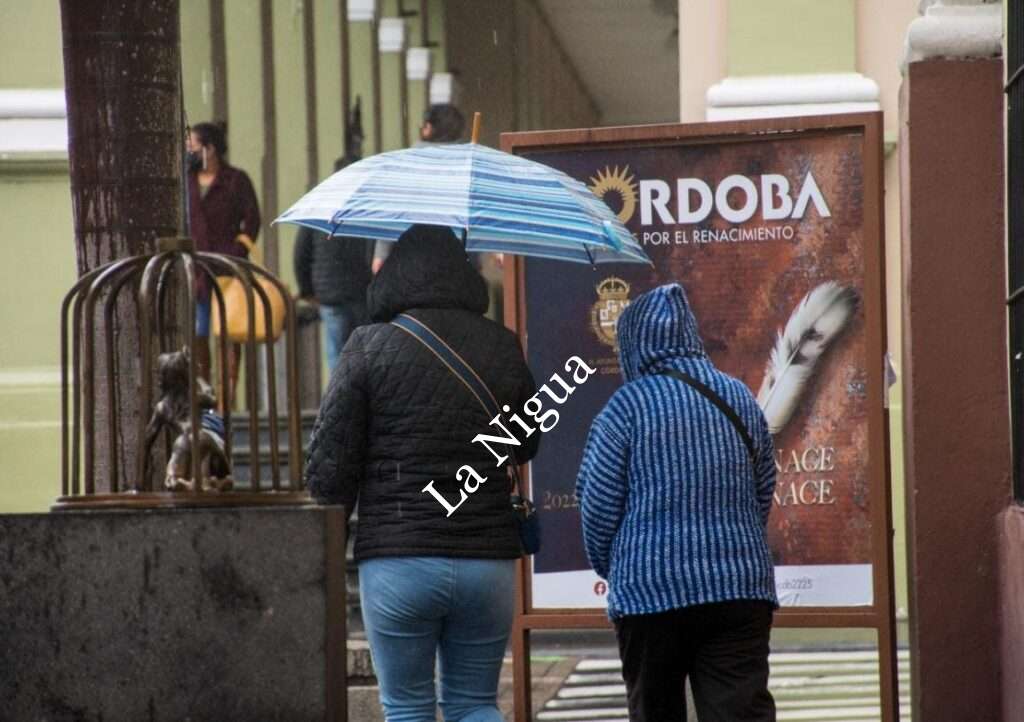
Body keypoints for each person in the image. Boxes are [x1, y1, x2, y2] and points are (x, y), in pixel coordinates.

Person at [305, 224, 540, 722]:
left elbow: (330, 470)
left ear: (390, 277)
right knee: (475, 703)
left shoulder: (366, 346)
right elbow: (527, 441)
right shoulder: (501, 345)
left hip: (398, 559)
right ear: (466, 277)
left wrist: (325, 543)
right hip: (486, 560)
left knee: (407, 707)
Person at [575, 283, 778, 722]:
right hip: (740, 590)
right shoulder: (740, 397)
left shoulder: (625, 407)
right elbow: (763, 489)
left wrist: (617, 567)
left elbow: (597, 508)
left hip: (650, 596)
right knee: (741, 714)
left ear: (634, 345)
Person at [186, 121, 261, 408]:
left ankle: (227, 400)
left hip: (228, 270)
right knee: (200, 335)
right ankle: (207, 399)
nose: (189, 152)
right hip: (197, 273)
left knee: (229, 335)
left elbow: (252, 219)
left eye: (193, 146)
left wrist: (238, 250)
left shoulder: (235, 180)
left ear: (210, 149)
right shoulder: (187, 181)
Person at [293, 156, 374, 370]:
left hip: (329, 294)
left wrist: (306, 290)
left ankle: (339, 399)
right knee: (363, 352)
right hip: (362, 291)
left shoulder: (318, 206)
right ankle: (363, 401)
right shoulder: (368, 207)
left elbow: (301, 253)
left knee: (337, 354)